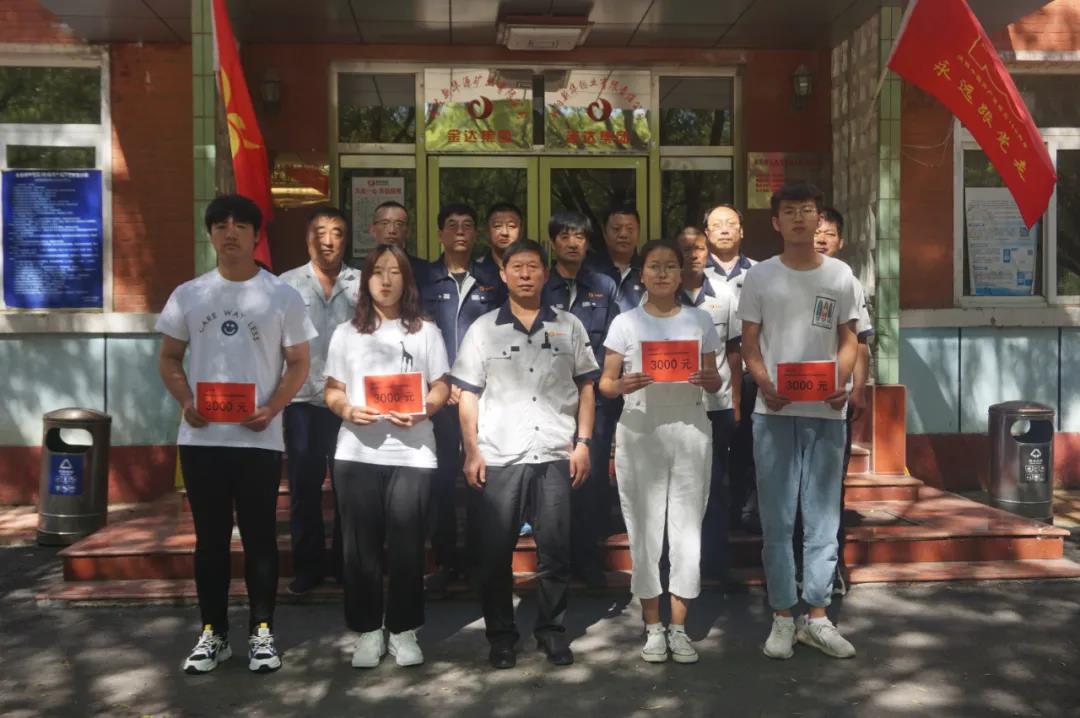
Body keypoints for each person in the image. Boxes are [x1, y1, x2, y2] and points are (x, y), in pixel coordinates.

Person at [157, 194, 316, 674]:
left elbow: (299, 363)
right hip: (202, 440)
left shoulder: (281, 295)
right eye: (221, 225)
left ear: (255, 235)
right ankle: (214, 633)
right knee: (209, 541)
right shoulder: (189, 294)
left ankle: (262, 631)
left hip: (258, 440)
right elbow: (169, 358)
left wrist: (272, 407)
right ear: (210, 234)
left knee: (260, 538)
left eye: (240, 225)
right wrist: (186, 400)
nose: (230, 233)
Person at [452, 239, 599, 670]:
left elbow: (587, 387)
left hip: (554, 452)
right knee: (494, 554)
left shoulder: (569, 325)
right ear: (503, 274)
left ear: (545, 273)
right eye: (516, 267)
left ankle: (551, 632)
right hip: (501, 455)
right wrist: (471, 450)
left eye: (533, 266)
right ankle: (501, 637)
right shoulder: (483, 329)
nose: (525, 274)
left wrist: (584, 443)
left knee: (556, 552)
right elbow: (468, 395)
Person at [738, 183, 859, 661]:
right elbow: (749, 343)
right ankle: (783, 616)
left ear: (818, 218)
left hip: (827, 413)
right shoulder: (760, 276)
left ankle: (818, 616)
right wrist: (764, 384)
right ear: (776, 222)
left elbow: (850, 341)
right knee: (778, 519)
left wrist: (842, 382)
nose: (798, 218)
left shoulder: (841, 275)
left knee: (823, 519)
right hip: (774, 413)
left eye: (806, 210)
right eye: (789, 212)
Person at [324, 244, 451, 669]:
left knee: (408, 545)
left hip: (413, 453)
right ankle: (367, 630)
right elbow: (333, 389)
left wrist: (425, 409)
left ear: (406, 280)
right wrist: (347, 410)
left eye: (394, 271)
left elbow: (441, 385)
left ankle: (404, 629)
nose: (385, 279)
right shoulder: (346, 333)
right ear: (366, 280)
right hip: (357, 452)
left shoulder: (425, 332)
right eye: (377, 271)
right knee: (360, 548)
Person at [599, 239, 723, 665]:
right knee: (645, 528)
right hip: (640, 430)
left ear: (681, 272)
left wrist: (708, 380)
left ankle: (680, 628)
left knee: (687, 530)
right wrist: (622, 385)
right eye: (654, 266)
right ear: (642, 274)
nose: (663, 273)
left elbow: (715, 379)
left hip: (690, 429)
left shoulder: (699, 320)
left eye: (671, 265)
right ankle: (653, 626)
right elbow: (606, 383)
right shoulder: (626, 323)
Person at [420, 203, 507, 596]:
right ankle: (445, 561)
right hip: (437, 396)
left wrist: (473, 384)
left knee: (479, 478)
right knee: (440, 481)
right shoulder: (424, 279)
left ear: (476, 235)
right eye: (452, 225)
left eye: (467, 225)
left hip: (481, 396)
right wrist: (442, 383)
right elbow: (416, 335)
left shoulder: (493, 280)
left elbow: (502, 335)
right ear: (440, 233)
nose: (459, 231)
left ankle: (476, 560)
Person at [278, 206, 358, 595]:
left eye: (337, 232)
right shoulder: (285, 285)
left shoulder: (361, 284)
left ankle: (346, 565)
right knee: (304, 489)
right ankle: (308, 567)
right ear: (308, 237)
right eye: (320, 232)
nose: (328, 240)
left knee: (349, 488)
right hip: (302, 401)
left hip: (348, 402)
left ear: (346, 239)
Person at [541, 211, 621, 588]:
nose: (572, 243)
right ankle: (555, 559)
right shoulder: (541, 284)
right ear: (553, 242)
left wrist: (601, 379)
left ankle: (588, 559)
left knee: (590, 480)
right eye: (564, 236)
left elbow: (616, 340)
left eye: (579, 237)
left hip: (595, 399)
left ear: (588, 243)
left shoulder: (604, 285)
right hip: (549, 400)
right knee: (552, 479)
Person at [810, 207, 874, 595]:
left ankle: (831, 565)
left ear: (841, 241)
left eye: (829, 234)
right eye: (815, 231)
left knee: (830, 483)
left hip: (834, 400)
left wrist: (859, 389)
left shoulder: (848, 282)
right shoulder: (780, 276)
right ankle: (796, 565)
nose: (821, 239)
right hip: (790, 400)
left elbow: (861, 342)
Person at [675, 227, 742, 582]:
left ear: (708, 252)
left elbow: (734, 351)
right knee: (677, 486)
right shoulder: (660, 296)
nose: (693, 255)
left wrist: (736, 402)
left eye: (699, 248)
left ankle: (715, 563)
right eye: (686, 249)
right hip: (674, 406)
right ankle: (678, 563)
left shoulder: (726, 294)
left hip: (716, 405)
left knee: (714, 485)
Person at [703, 204, 759, 534]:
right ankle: (716, 515)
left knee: (748, 447)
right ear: (707, 233)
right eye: (717, 224)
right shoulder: (695, 274)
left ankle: (746, 513)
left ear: (741, 231)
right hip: (713, 378)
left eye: (730, 224)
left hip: (755, 375)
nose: (724, 229)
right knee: (711, 451)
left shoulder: (762, 273)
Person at [586, 204, 645, 313]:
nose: (623, 234)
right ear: (604, 233)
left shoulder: (648, 272)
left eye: (630, 229)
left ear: (638, 233)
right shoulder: (587, 271)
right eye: (616, 229)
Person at [369, 200, 428, 278]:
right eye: (384, 223)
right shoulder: (360, 271)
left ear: (408, 232)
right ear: (372, 230)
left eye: (399, 224)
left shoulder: (425, 271)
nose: (392, 230)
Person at [484, 202, 524, 270]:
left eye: (511, 226)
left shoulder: (531, 270)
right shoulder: (476, 271)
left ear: (521, 231)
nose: (504, 233)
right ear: (487, 231)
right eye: (497, 226)